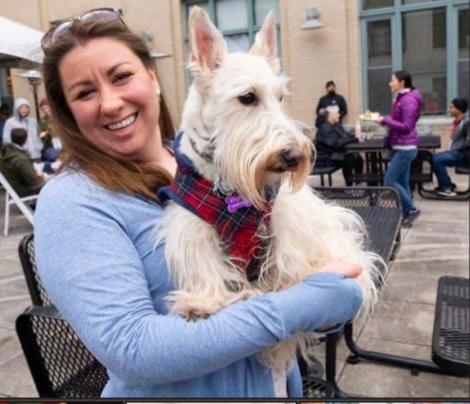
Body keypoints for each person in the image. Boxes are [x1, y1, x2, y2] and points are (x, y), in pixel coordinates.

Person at [35, 9, 364, 398]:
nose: (110, 102)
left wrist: (323, 309)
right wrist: (303, 304)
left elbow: (286, 276)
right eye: (85, 92)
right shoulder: (71, 200)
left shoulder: (208, 169)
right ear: (68, 112)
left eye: (121, 76)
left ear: (152, 79)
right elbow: (134, 351)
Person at [371, 70, 422, 227]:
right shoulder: (403, 98)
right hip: (402, 146)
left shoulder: (408, 100)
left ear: (401, 82)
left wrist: (384, 120)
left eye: (392, 80)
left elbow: (407, 126)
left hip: (405, 148)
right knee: (403, 182)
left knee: (389, 180)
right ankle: (407, 214)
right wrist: (385, 121)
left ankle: (412, 210)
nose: (389, 83)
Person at [314, 106, 363, 186]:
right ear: (330, 115)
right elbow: (335, 144)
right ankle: (349, 186)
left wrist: (356, 137)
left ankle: (358, 184)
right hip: (326, 158)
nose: (339, 115)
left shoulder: (337, 126)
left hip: (336, 155)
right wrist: (355, 139)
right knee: (348, 159)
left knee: (357, 158)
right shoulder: (324, 128)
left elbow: (346, 137)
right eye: (337, 113)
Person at [432, 98, 469, 196]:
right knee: (434, 157)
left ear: (459, 109)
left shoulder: (467, 121)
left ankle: (446, 188)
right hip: (458, 152)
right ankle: (447, 184)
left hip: (464, 154)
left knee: (438, 160)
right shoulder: (459, 121)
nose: (449, 109)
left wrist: (456, 149)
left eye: (451, 107)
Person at [0, 128, 44, 197]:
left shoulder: (7, 152)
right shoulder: (21, 159)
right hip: (27, 192)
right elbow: (35, 182)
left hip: (16, 189)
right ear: (26, 140)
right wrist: (42, 176)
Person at [38, 97, 63, 163]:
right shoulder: (42, 121)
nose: (45, 110)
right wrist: (46, 132)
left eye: (46, 107)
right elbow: (42, 135)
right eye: (43, 109)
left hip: (63, 144)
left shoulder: (60, 117)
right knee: (53, 155)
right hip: (50, 145)